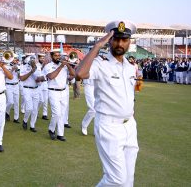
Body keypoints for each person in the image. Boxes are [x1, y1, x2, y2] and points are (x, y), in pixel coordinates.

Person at [76, 20, 139, 186]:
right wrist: (97, 46)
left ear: (129, 42)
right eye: (116, 39)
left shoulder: (130, 67)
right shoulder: (100, 63)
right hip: (109, 127)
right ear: (109, 40)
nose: (120, 43)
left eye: (124, 40)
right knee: (116, 179)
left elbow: (129, 95)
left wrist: (131, 116)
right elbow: (80, 73)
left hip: (129, 125)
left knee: (128, 179)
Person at [44, 49, 75, 141]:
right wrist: (61, 66)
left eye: (58, 55)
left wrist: (68, 66)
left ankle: (60, 134)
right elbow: (51, 76)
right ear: (51, 56)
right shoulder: (48, 66)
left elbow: (74, 74)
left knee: (62, 114)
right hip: (53, 92)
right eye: (55, 55)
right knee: (56, 113)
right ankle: (51, 129)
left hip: (64, 91)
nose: (58, 57)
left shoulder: (65, 66)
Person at [19, 53, 43, 132]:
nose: (33, 61)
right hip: (27, 89)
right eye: (31, 60)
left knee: (35, 109)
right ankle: (25, 120)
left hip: (36, 89)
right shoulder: (23, 67)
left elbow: (39, 78)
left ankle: (32, 125)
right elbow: (22, 78)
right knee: (29, 108)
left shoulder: (38, 67)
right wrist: (31, 72)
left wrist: (40, 77)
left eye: (34, 60)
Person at [5, 54, 20, 123]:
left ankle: (16, 118)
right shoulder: (6, 66)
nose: (15, 60)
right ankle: (6, 112)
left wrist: (18, 71)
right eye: (14, 59)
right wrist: (12, 70)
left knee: (16, 102)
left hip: (16, 85)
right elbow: (5, 76)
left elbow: (20, 77)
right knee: (10, 101)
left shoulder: (19, 66)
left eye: (16, 59)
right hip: (8, 85)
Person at [36, 53, 49, 120]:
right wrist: (43, 66)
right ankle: (36, 112)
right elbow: (37, 74)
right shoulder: (36, 65)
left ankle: (45, 114)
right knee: (40, 100)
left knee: (45, 101)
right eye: (41, 58)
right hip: (39, 84)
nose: (42, 59)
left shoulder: (47, 66)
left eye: (43, 58)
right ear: (38, 58)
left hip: (45, 84)